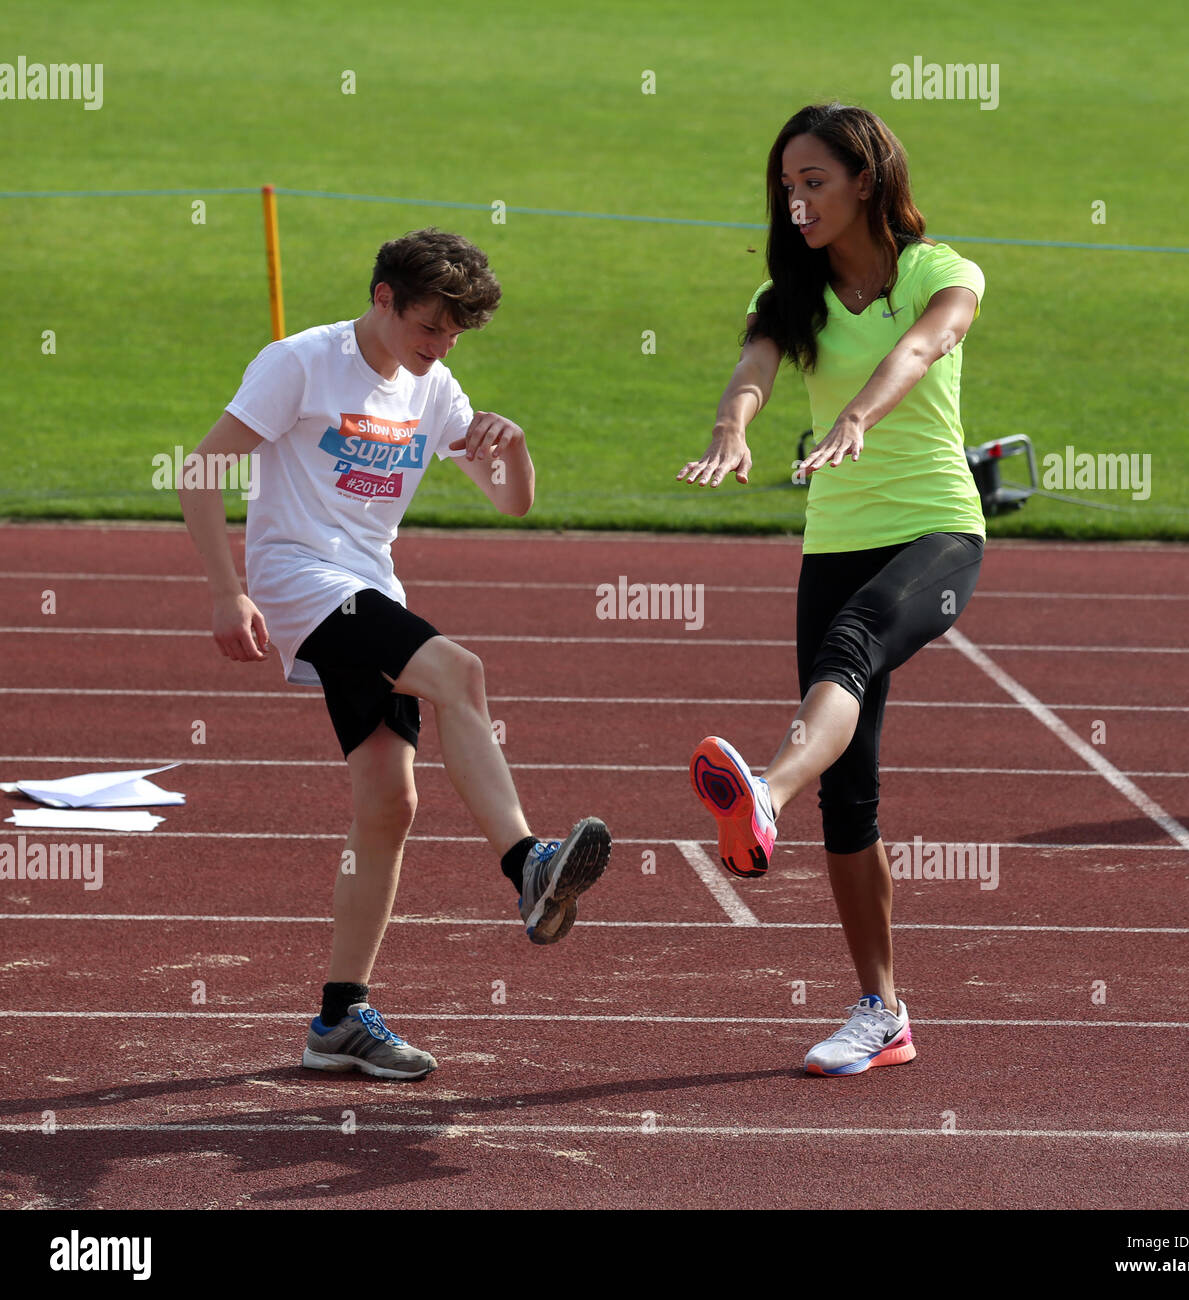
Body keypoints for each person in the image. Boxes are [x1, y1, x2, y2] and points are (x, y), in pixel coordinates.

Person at [179, 227, 611, 1081]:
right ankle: (529, 866)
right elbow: (201, 470)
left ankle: (340, 1017)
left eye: (453, 336)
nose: (441, 347)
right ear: (383, 297)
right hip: (301, 579)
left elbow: (510, 503)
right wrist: (227, 592)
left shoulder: (435, 386)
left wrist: (513, 447)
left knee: (389, 803)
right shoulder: (300, 362)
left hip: (371, 589)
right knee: (463, 673)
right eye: (429, 329)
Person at [678, 103, 986, 1077]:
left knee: (850, 648)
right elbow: (754, 365)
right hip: (835, 543)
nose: (797, 198)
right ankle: (881, 1011)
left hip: (937, 531)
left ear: (864, 178)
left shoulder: (941, 271)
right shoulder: (791, 290)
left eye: (814, 179)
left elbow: (920, 350)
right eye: (786, 183)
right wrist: (734, 428)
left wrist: (855, 415)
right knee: (848, 796)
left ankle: (761, 793)